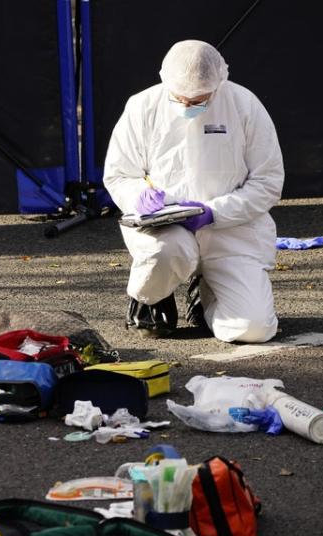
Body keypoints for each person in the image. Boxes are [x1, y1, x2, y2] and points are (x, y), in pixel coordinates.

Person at [103, 40, 284, 343]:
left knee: (253, 329)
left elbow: (268, 182)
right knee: (165, 252)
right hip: (166, 230)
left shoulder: (245, 105)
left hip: (231, 232)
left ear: (219, 83)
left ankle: (206, 298)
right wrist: (139, 198)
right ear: (165, 81)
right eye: (181, 99)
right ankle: (149, 297)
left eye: (200, 100)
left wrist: (215, 213)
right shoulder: (142, 106)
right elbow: (120, 174)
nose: (189, 107)